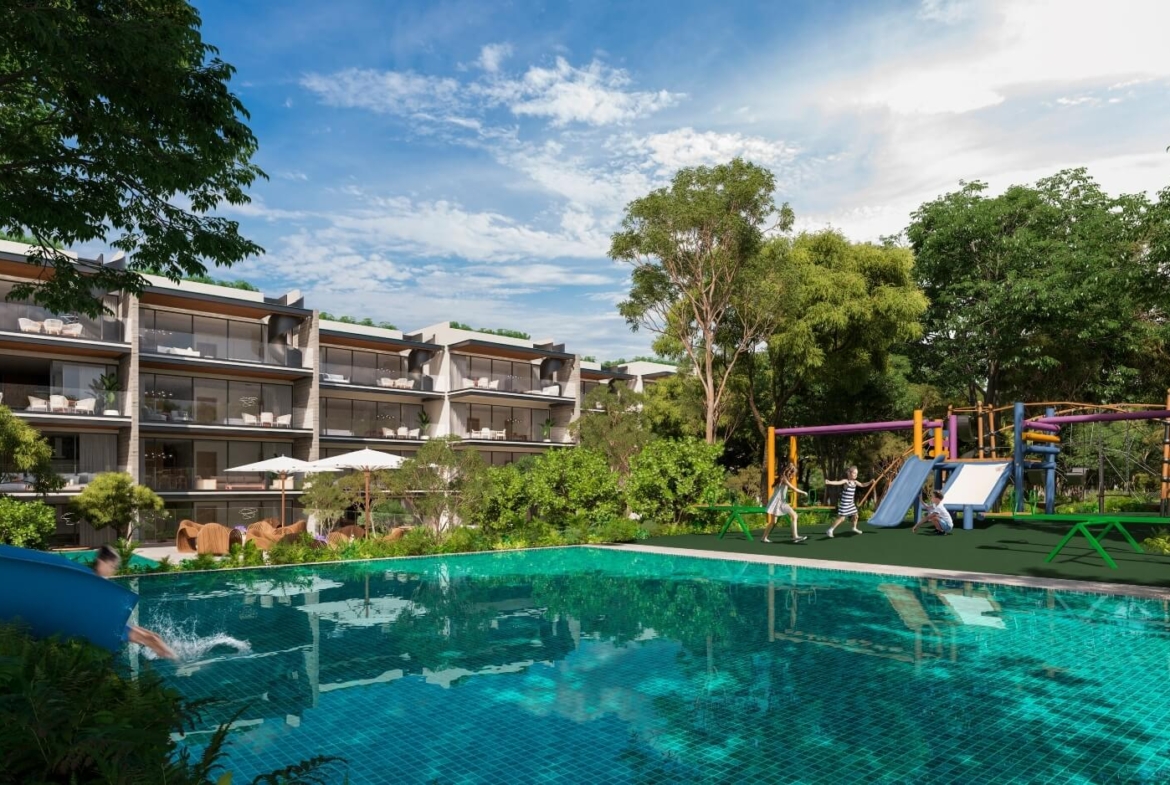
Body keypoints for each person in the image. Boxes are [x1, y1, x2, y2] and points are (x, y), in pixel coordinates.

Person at [92, 546, 178, 660]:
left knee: (155, 636)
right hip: (110, 627)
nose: (114, 570)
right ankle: (180, 662)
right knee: (151, 640)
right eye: (111, 566)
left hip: (116, 623)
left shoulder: (101, 580)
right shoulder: (95, 582)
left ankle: (169, 656)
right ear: (101, 562)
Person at [763, 463, 808, 544]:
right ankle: (764, 537)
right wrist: (803, 492)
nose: (794, 475)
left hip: (781, 502)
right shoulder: (783, 478)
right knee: (773, 522)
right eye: (794, 473)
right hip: (777, 502)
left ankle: (795, 536)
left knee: (794, 515)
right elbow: (793, 488)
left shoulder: (784, 478)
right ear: (790, 472)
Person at [825, 466, 874, 538]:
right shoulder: (846, 481)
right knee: (842, 518)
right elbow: (838, 482)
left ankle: (854, 528)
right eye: (854, 473)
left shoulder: (855, 482)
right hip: (844, 504)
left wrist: (870, 482)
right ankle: (830, 530)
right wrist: (829, 482)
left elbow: (863, 485)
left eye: (856, 473)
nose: (856, 475)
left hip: (850, 503)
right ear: (849, 473)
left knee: (856, 515)